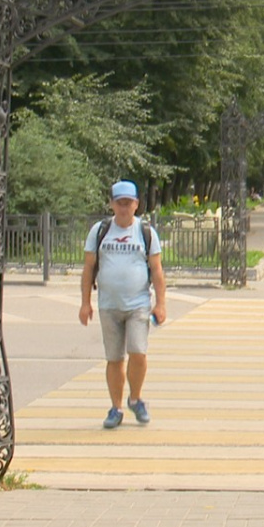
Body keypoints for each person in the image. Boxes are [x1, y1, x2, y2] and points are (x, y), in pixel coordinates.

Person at [79, 180, 167, 429]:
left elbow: (157, 271)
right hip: (109, 305)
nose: (124, 208)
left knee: (138, 352)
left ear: (136, 204)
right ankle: (116, 407)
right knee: (114, 358)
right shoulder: (100, 231)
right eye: (120, 203)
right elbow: (88, 269)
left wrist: (160, 304)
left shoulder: (146, 232)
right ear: (112, 204)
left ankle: (135, 398)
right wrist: (85, 303)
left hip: (138, 304)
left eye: (128, 203)